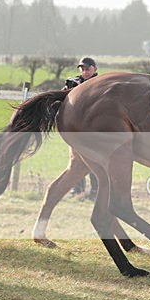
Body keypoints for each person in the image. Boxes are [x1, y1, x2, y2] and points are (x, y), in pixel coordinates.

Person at [64, 57, 100, 199]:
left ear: (95, 69)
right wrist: (71, 89)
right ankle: (77, 190)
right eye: (82, 69)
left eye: (87, 69)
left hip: (94, 129)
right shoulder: (75, 82)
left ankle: (95, 192)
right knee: (76, 160)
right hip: (77, 129)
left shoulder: (100, 83)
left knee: (94, 161)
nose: (85, 72)